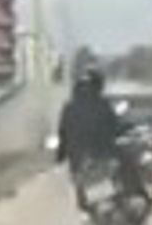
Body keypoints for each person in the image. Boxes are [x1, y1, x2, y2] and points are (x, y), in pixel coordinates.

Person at [56, 69, 143, 211]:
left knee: (81, 178)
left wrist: (60, 156)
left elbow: (63, 134)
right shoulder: (102, 104)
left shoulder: (68, 108)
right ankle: (137, 193)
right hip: (105, 155)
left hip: (80, 162)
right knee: (129, 160)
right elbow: (115, 127)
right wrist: (129, 127)